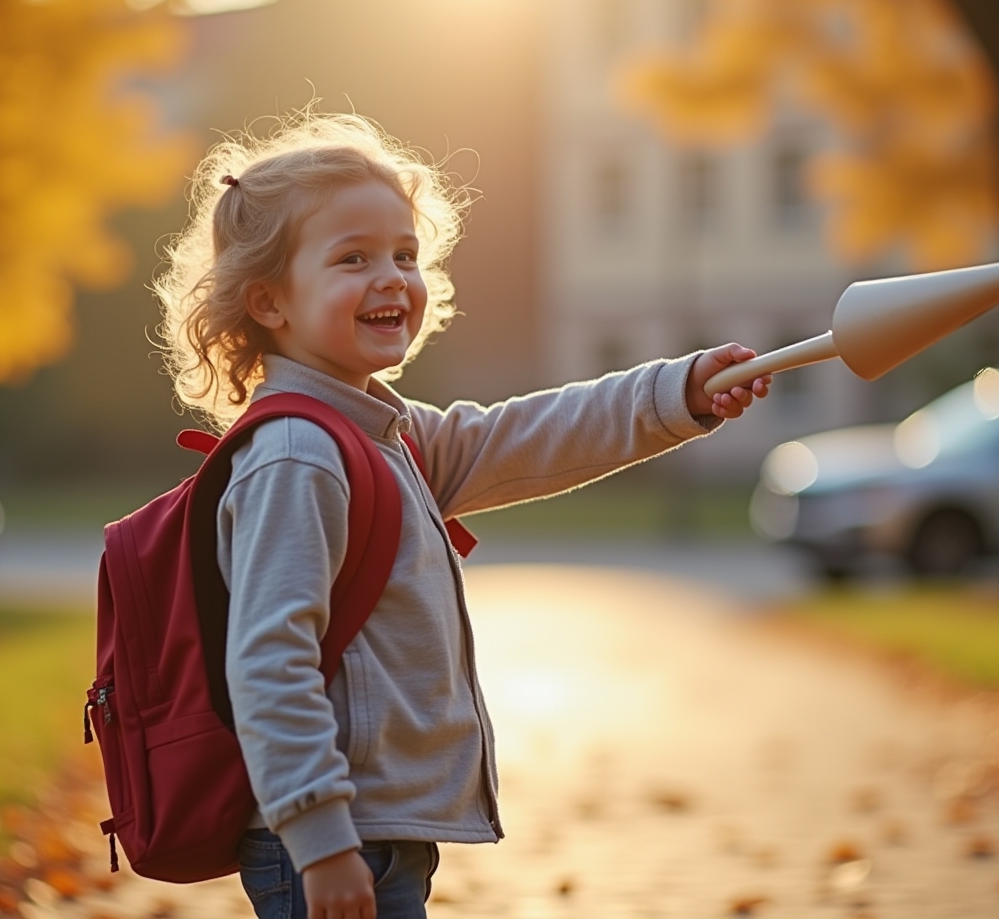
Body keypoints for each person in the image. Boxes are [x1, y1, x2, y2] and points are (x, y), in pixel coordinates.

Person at [155, 111, 771, 919]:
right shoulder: (300, 457)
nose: (392, 277)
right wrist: (321, 838)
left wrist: (677, 392)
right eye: (353, 259)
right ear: (268, 301)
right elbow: (270, 663)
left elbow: (532, 434)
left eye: (405, 255)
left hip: (372, 832)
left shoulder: (383, 436)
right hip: (333, 838)